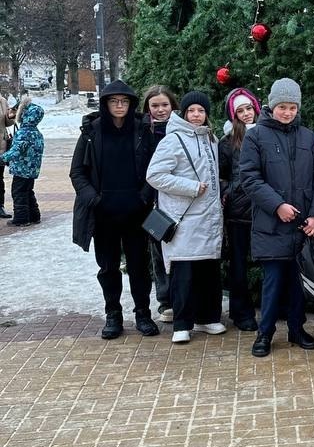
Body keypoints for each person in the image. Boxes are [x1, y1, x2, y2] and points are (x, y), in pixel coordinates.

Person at [238, 78, 314, 357]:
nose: (287, 112)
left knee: (298, 283)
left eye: (292, 108)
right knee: (273, 283)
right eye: (282, 107)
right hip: (271, 225)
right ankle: (264, 334)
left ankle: (297, 329)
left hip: (301, 225)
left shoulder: (307, 136)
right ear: (271, 106)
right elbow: (249, 178)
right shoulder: (255, 136)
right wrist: (277, 205)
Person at [70, 82, 158, 338]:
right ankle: (113, 314)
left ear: (131, 104)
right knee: (108, 267)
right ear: (106, 104)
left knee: (139, 266)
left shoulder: (142, 130)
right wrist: (95, 200)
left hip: (135, 211)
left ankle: (143, 313)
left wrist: (143, 198)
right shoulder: (92, 131)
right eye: (113, 101)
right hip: (104, 213)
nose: (119, 106)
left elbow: (155, 169)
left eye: (124, 101)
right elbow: (77, 172)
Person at [146, 91, 225, 344]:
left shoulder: (211, 139)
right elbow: (155, 175)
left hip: (209, 217)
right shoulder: (172, 140)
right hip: (185, 218)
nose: (196, 115)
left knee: (208, 270)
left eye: (201, 111)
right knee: (184, 271)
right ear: (183, 112)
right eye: (191, 111)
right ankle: (182, 323)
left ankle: (208, 318)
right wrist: (190, 187)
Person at [218, 87, 261, 331]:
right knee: (238, 265)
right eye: (240, 110)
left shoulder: (267, 134)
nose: (246, 114)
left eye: (248, 108)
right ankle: (240, 311)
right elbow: (221, 175)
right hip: (238, 211)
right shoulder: (227, 143)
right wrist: (229, 192)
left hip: (265, 208)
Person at [141, 85, 178, 322]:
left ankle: (184, 297)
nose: (161, 110)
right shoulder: (143, 132)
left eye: (165, 105)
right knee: (158, 251)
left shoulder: (182, 131)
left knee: (180, 251)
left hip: (178, 200)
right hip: (152, 202)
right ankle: (165, 300)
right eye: (155, 106)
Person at [2, 98, 44, 228]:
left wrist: (2, 158)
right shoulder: (36, 133)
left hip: (22, 169)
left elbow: (16, 151)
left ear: (24, 115)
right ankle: (34, 215)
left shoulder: (24, 133)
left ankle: (21, 218)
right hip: (31, 170)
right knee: (28, 191)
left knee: (18, 192)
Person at [0, 94, 15, 218]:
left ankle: (0, 207)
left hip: (1, 147)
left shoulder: (2, 101)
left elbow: (9, 122)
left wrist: (12, 114)